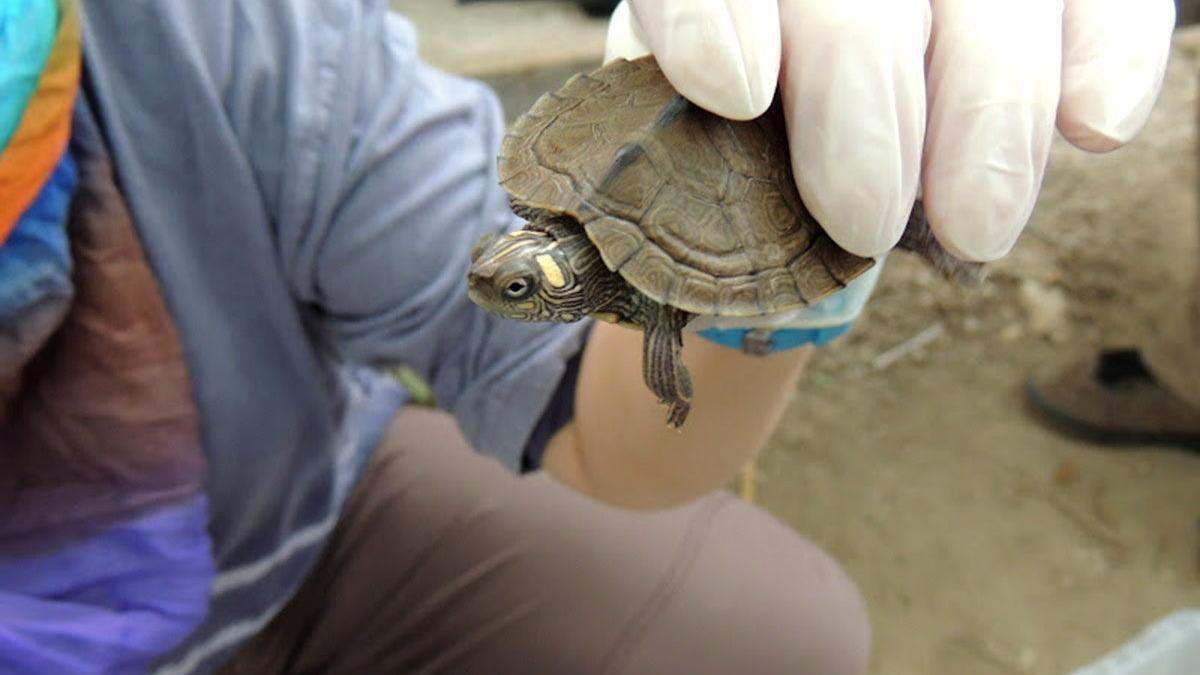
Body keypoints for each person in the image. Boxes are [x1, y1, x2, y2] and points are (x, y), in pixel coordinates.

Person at [0, 1, 1175, 673]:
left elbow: (610, 425)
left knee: (771, 623)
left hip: (272, 536)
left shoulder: (196, 38)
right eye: (521, 279)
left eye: (519, 278)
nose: (504, 281)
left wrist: (811, 272)